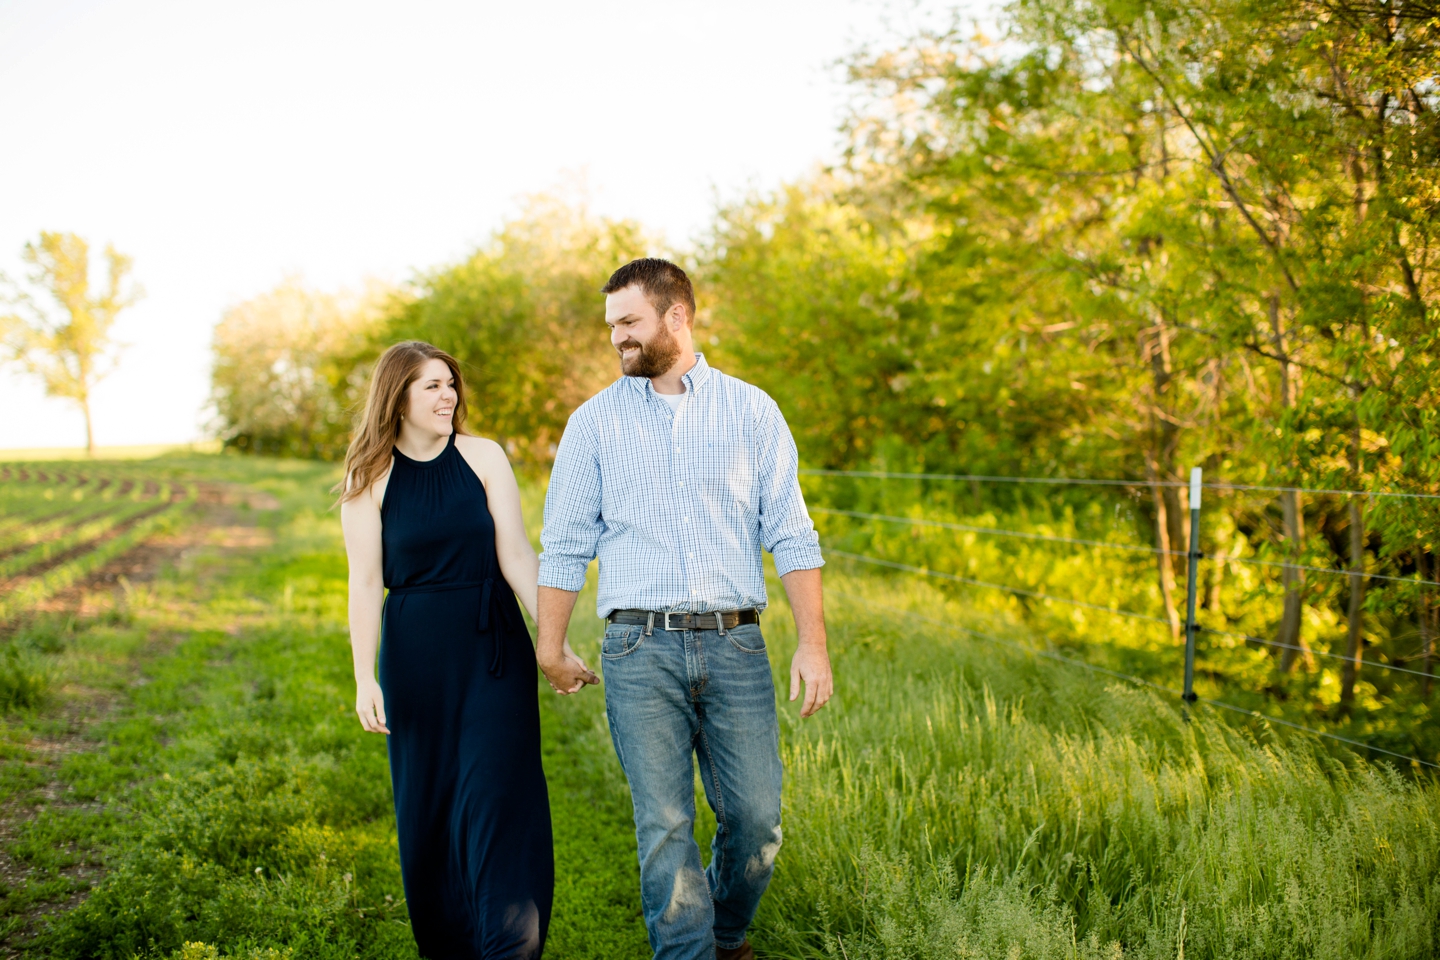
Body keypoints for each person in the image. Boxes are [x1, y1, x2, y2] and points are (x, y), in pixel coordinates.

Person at [536, 259, 833, 960]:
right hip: (639, 650)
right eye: (612, 325)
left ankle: (727, 935)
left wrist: (812, 643)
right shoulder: (593, 424)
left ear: (677, 317)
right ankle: (688, 951)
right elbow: (566, 543)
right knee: (666, 827)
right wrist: (550, 646)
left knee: (757, 821)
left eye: (629, 322)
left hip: (736, 647)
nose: (617, 338)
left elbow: (791, 532)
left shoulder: (752, 411)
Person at [339, 340, 596, 960]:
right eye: (430, 385)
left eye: (450, 383)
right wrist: (363, 678)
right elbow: (365, 582)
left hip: (492, 653)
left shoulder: (483, 457)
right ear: (396, 395)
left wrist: (552, 642)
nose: (447, 394)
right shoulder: (367, 478)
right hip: (414, 660)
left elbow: (515, 553)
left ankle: (511, 945)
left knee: (499, 798)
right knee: (430, 806)